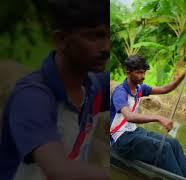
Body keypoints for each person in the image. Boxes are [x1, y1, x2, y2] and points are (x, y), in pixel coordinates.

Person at [0, 0, 110, 179]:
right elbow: (58, 170)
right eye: (93, 37)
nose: (106, 48)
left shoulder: (94, 88)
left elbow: (136, 85)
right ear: (60, 40)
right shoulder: (32, 97)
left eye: (108, 36)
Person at [110, 55, 186, 179]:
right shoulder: (120, 92)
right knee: (164, 149)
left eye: (144, 72)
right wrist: (158, 118)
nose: (143, 76)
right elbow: (129, 116)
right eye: (139, 72)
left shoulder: (139, 88)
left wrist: (182, 76)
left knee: (173, 143)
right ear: (128, 72)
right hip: (121, 139)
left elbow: (165, 89)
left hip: (134, 132)